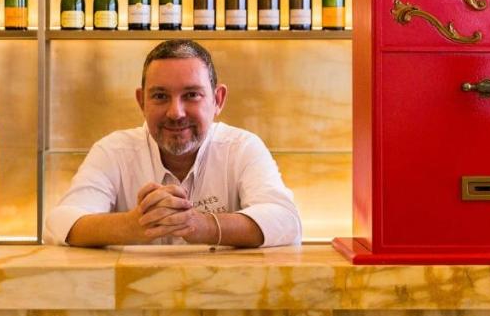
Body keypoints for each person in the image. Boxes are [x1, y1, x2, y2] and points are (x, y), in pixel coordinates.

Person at [44, 40, 302, 248]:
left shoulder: (242, 148)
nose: (175, 112)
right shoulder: (113, 151)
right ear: (141, 101)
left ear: (217, 100)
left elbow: (286, 221)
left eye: (191, 95)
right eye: (160, 96)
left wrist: (202, 225)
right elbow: (60, 222)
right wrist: (134, 225)